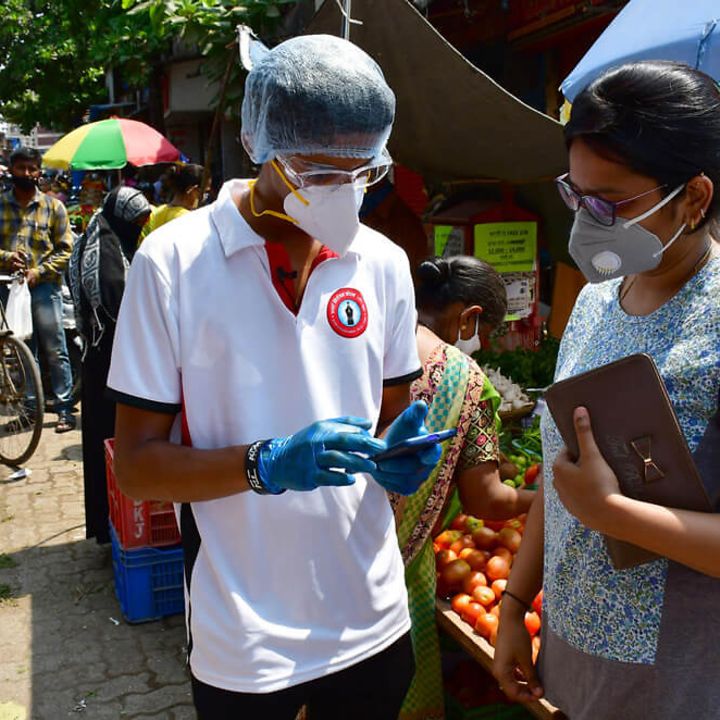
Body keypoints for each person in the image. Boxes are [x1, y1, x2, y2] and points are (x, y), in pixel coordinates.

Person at [107, 35, 445, 720]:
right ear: (258, 142)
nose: (343, 191)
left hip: (371, 615)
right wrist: (265, 465)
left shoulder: (381, 263)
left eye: (362, 172)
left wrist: (401, 459)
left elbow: (389, 422)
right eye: (319, 171)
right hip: (247, 634)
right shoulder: (172, 263)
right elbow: (139, 468)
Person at [492, 60, 720, 719]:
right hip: (570, 660)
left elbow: (593, 500)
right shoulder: (594, 302)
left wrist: (615, 515)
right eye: (576, 195)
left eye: (611, 203)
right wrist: (514, 602)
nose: (590, 221)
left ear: (695, 197)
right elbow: (565, 476)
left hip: (677, 685)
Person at [394, 255, 535, 720]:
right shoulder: (463, 378)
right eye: (485, 332)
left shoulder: (367, 338)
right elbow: (486, 498)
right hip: (395, 574)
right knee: (396, 692)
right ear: (470, 317)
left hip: (312, 561)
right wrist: (546, 499)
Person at [68, 186, 151, 544]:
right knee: (113, 441)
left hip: (101, 359)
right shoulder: (104, 254)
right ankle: (117, 529)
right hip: (111, 365)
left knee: (106, 442)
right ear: (122, 219)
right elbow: (117, 313)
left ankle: (111, 528)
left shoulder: (103, 236)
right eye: (138, 222)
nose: (141, 229)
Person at [0, 146, 76, 432]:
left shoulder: (54, 207)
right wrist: (7, 258)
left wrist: (38, 271)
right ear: (11, 169)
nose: (27, 174)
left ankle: (65, 409)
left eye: (32, 169)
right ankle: (30, 411)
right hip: (9, 288)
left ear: (38, 171)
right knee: (22, 351)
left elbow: (66, 249)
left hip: (45, 289)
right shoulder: (1, 205)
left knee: (55, 348)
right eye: (22, 168)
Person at [139, 163, 205, 241]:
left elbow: (142, 244)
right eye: (205, 192)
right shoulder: (189, 220)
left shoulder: (155, 213)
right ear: (192, 189)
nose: (204, 198)